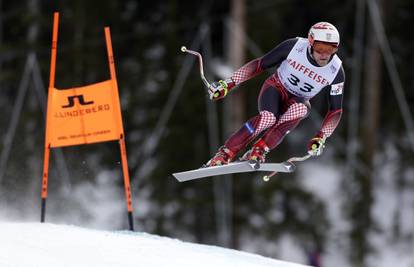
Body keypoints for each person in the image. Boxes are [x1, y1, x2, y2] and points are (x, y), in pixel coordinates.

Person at [206, 22, 345, 167]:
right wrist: (229, 83)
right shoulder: (294, 47)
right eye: (320, 48)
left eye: (330, 49)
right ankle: (225, 153)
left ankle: (259, 150)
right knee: (268, 118)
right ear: (310, 42)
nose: (324, 54)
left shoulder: (336, 71)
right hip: (276, 88)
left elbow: (336, 110)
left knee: (301, 110)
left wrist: (322, 136)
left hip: (299, 100)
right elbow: (260, 64)